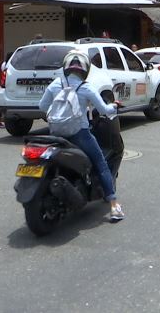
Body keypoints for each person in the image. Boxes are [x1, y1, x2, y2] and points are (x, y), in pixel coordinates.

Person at [39, 51, 125, 222]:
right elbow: (104, 110)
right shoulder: (85, 87)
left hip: (55, 134)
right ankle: (114, 206)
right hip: (79, 134)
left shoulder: (55, 84)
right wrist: (114, 106)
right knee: (100, 163)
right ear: (85, 70)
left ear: (65, 67)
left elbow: (42, 106)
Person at [0, 51, 13, 128]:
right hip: (9, 85)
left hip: (4, 84)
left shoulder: (4, 64)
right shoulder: (11, 65)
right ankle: (2, 120)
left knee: (2, 104)